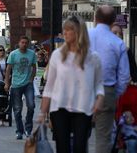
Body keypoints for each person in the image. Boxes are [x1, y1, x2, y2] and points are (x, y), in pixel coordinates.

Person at [40, 16, 104, 153]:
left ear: (79, 33)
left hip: (83, 107)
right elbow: (49, 87)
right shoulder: (57, 55)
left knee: (80, 147)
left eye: (69, 30)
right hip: (59, 107)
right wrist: (42, 113)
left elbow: (99, 84)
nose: (65, 33)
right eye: (64, 29)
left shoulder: (93, 58)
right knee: (62, 147)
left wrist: (99, 100)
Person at [88, 5, 130, 153]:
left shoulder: (84, 36)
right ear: (113, 21)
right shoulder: (118, 43)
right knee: (103, 137)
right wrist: (114, 93)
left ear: (95, 18)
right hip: (106, 90)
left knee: (78, 135)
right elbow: (124, 76)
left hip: (81, 89)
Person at [5, 36, 37, 140]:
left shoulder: (32, 54)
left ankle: (28, 129)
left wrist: (31, 79)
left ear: (28, 44)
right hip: (16, 85)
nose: (24, 44)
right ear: (19, 43)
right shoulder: (13, 54)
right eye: (22, 42)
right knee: (17, 110)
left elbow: (34, 67)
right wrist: (7, 83)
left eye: (26, 43)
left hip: (28, 84)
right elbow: (8, 69)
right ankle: (19, 131)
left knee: (31, 106)